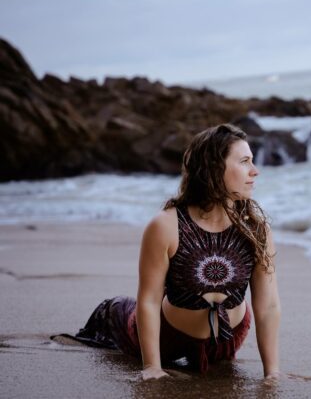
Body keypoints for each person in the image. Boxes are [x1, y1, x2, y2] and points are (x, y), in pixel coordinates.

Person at [59, 124, 281, 381]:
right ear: (213, 167)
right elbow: (149, 301)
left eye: (252, 161)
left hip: (228, 338)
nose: (255, 171)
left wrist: (272, 372)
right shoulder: (165, 225)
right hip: (167, 337)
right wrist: (152, 367)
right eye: (244, 162)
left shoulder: (256, 229)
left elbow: (268, 305)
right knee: (115, 309)